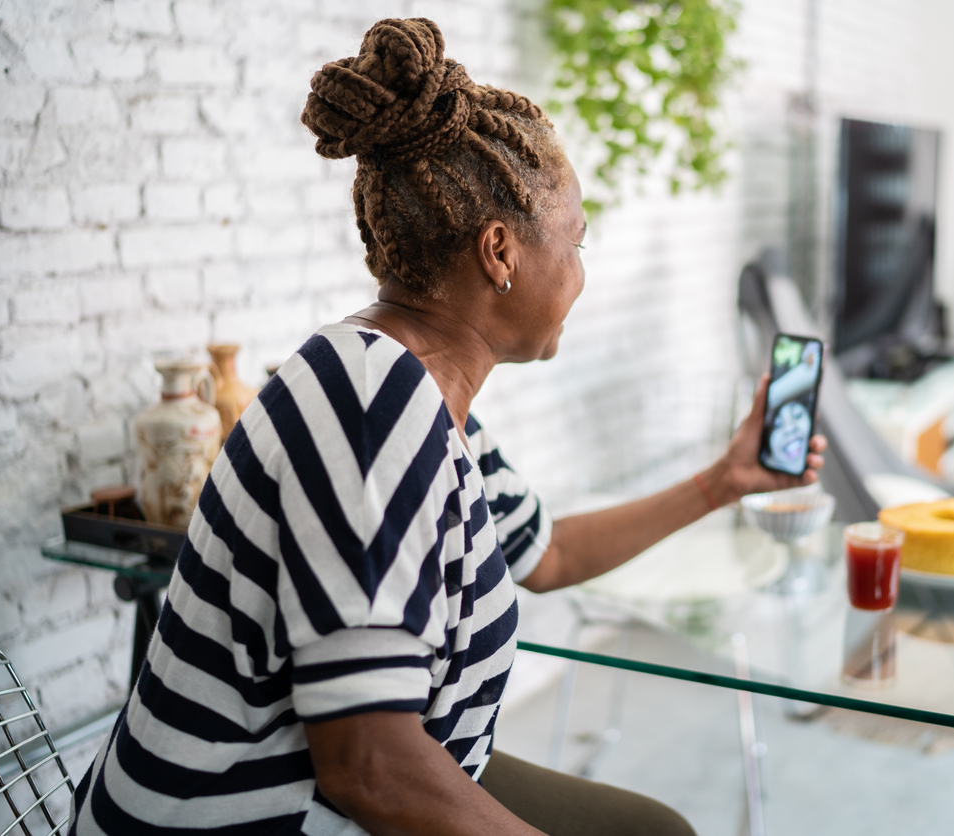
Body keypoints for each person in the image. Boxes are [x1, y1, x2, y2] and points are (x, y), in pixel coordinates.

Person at [68, 18, 826, 836]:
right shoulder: (370, 404)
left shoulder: (431, 401)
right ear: (499, 252)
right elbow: (370, 765)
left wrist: (726, 480)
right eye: (574, 243)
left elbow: (550, 555)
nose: (581, 273)